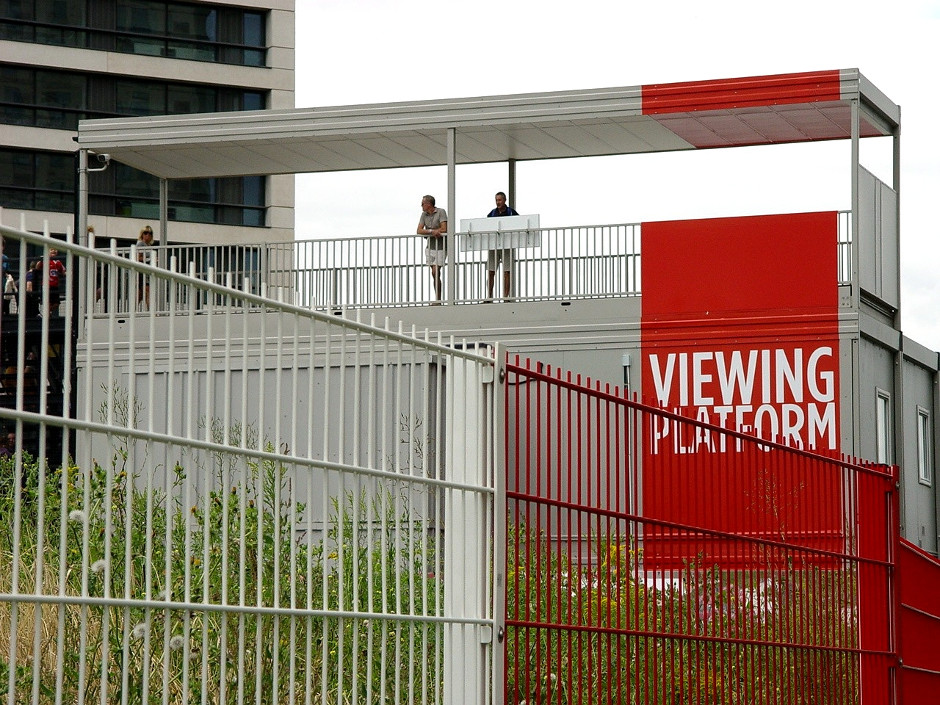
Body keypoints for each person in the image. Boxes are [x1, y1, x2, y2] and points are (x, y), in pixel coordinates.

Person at [485, 191, 519, 301]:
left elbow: (519, 223)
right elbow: (486, 225)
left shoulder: (511, 212)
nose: (498, 202)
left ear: (505, 200)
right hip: (494, 245)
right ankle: (489, 296)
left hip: (507, 245)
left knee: (507, 272)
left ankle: (506, 297)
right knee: (491, 271)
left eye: (499, 200)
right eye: (496, 200)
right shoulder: (492, 213)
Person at [416, 196, 447, 302]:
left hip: (441, 246)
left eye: (422, 204)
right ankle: (437, 298)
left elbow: (444, 229)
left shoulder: (441, 212)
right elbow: (419, 230)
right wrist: (432, 232)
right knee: (434, 273)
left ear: (429, 204)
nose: (421, 206)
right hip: (430, 246)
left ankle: (438, 299)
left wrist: (433, 230)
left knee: (435, 271)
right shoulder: (423, 215)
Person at [136, 225, 156, 310]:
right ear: (142, 234)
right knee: (148, 291)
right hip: (141, 271)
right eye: (145, 233)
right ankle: (150, 311)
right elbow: (138, 257)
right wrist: (150, 259)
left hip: (145, 271)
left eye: (150, 233)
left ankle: (131, 310)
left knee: (140, 294)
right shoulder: (141, 244)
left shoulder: (147, 245)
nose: (148, 235)